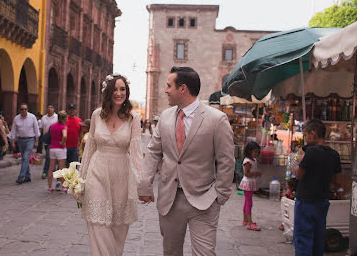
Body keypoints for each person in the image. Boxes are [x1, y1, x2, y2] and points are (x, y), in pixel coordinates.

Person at [138, 66, 235, 256]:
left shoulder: (217, 119)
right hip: (170, 200)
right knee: (171, 253)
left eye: (168, 86)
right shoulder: (165, 117)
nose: (165, 90)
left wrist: (219, 194)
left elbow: (226, 160)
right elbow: (153, 152)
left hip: (205, 200)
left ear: (182, 89)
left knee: (205, 253)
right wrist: (144, 185)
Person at [78, 74, 142, 256]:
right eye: (115, 89)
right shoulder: (97, 115)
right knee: (97, 222)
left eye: (122, 89)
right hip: (97, 171)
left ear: (127, 92)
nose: (119, 93)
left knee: (118, 227)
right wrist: (80, 179)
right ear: (108, 91)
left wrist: (141, 182)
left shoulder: (133, 118)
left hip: (122, 174)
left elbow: (136, 151)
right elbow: (90, 147)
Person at [293, 119, 342, 256]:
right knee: (318, 237)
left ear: (313, 134)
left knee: (303, 238)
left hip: (306, 200)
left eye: (306, 135)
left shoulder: (311, 152)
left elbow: (299, 175)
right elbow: (337, 182)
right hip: (322, 201)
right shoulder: (334, 154)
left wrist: (299, 162)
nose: (305, 138)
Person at [11, 103, 39, 184]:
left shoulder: (32, 117)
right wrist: (13, 142)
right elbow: (13, 130)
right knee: (24, 158)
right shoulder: (16, 118)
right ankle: (27, 176)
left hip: (30, 139)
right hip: (20, 140)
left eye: (25, 109)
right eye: (22, 109)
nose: (24, 111)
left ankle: (21, 177)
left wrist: (36, 141)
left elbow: (36, 129)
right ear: (19, 110)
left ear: (27, 109)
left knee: (26, 158)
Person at [238, 141, 262, 231]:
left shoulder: (253, 160)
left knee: (247, 202)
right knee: (249, 203)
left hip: (250, 182)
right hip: (248, 182)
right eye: (255, 152)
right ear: (249, 151)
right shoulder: (247, 161)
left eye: (257, 152)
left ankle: (246, 220)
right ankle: (249, 222)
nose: (257, 154)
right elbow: (246, 174)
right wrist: (255, 173)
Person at [47, 111, 68, 193]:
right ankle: (63, 187)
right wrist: (62, 142)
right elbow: (65, 136)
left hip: (52, 148)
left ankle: (49, 187)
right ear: (64, 118)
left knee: (51, 168)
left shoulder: (52, 126)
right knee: (61, 168)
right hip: (60, 149)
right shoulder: (63, 127)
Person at [40, 104, 57, 179]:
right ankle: (45, 171)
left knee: (53, 157)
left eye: (51, 107)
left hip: (55, 139)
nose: (50, 109)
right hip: (47, 140)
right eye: (48, 107)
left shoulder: (57, 117)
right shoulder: (44, 118)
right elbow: (41, 129)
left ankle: (52, 170)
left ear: (54, 109)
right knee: (48, 156)